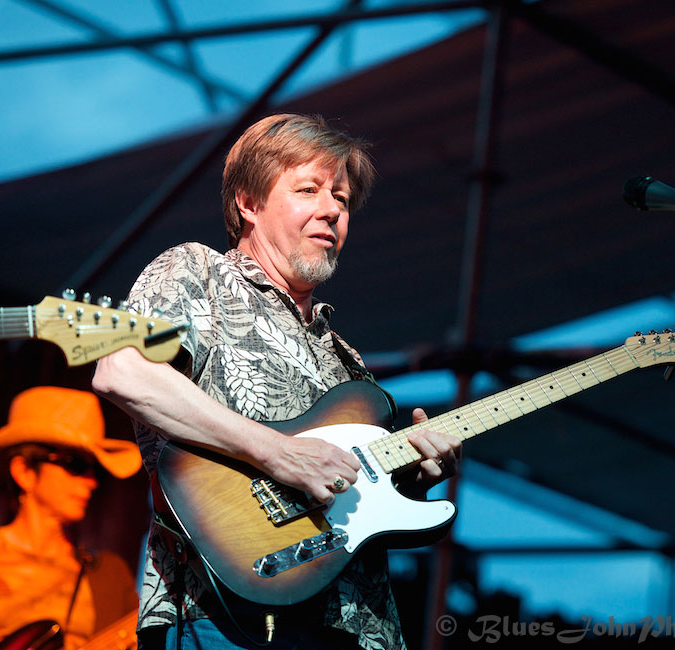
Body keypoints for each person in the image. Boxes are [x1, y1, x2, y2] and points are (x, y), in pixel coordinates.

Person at [91, 112, 463, 650]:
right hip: (222, 617)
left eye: (341, 198)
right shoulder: (196, 271)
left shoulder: (346, 360)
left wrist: (414, 477)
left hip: (358, 629)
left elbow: (351, 498)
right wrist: (279, 453)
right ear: (248, 202)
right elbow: (124, 373)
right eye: (308, 188)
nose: (332, 209)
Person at [0, 386, 143, 650]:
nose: (91, 482)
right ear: (25, 472)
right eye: (75, 465)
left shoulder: (111, 577)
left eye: (93, 469)